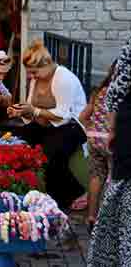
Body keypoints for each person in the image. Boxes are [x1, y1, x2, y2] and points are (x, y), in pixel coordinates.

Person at [7, 40, 87, 209]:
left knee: (51, 153)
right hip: (46, 124)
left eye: (34, 72)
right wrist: (21, 112)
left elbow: (63, 116)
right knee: (15, 142)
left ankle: (71, 195)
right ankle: (22, 189)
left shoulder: (63, 78)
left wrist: (33, 111)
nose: (31, 77)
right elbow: (31, 107)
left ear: (47, 65)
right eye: (29, 73)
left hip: (72, 125)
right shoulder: (37, 79)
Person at [88, 41, 131, 267]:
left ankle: (92, 215)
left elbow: (120, 85)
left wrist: (110, 128)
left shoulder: (101, 92)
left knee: (105, 180)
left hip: (112, 137)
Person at [79, 61, 116, 231]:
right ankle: (110, 221)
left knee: (96, 176)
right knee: (115, 178)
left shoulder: (98, 91)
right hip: (111, 139)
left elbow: (83, 116)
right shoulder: (120, 92)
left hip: (94, 138)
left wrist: (91, 129)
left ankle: (91, 217)